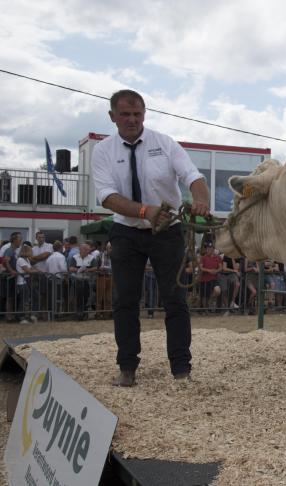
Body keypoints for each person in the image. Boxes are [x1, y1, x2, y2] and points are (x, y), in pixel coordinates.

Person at [92, 89, 210, 387]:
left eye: (137, 114)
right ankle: (127, 367)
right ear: (112, 117)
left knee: (176, 300)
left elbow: (193, 176)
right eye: (125, 114)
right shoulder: (103, 151)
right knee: (125, 300)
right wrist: (146, 211)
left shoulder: (165, 143)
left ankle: (181, 369)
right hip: (126, 231)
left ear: (144, 114)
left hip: (168, 231)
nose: (132, 120)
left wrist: (200, 198)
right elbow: (106, 196)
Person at [68, 242, 99, 321]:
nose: (87, 251)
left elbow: (95, 267)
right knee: (77, 297)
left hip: (87, 281)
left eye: (88, 250)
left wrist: (88, 269)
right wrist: (78, 269)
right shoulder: (74, 257)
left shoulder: (92, 258)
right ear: (81, 249)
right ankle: (78, 313)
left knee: (86, 297)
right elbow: (70, 268)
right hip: (77, 280)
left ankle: (84, 313)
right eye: (85, 249)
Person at [197, 243, 222, 312]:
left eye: (210, 249)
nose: (208, 250)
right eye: (207, 249)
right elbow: (201, 268)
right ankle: (205, 310)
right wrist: (209, 270)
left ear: (213, 249)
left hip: (214, 279)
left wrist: (216, 271)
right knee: (204, 296)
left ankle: (210, 302)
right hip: (204, 279)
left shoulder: (218, 257)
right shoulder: (203, 258)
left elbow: (220, 267)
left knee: (217, 291)